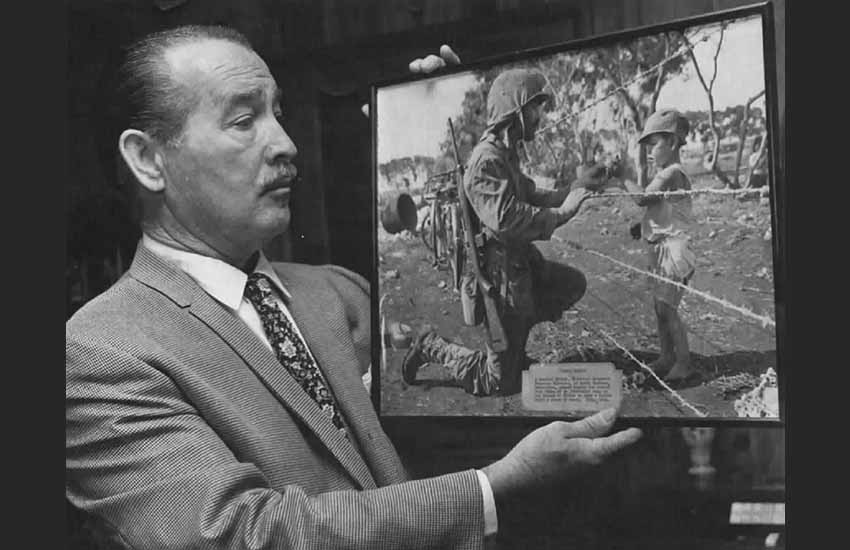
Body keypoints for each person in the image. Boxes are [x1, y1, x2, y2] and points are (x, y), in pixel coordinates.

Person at [66, 26, 642, 550]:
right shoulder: (98, 352)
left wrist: (420, 107)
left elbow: (423, 455)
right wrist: (490, 491)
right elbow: (240, 536)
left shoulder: (336, 291)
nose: (286, 143)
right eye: (245, 121)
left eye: (279, 114)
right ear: (147, 159)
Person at [402, 68, 612, 397]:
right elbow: (505, 218)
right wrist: (563, 212)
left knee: (570, 285)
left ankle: (514, 348)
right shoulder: (485, 162)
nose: (540, 116)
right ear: (514, 111)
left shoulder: (505, 155)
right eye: (534, 108)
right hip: (498, 280)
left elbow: (530, 194)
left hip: (518, 266)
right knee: (496, 383)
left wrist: (574, 187)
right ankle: (432, 346)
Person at [619, 108, 700, 387]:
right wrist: (641, 226)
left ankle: (684, 363)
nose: (649, 151)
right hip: (660, 250)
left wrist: (622, 176)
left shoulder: (673, 173)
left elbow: (643, 198)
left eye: (654, 144)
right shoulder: (665, 174)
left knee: (667, 308)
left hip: (675, 253)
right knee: (659, 307)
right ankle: (667, 356)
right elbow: (656, 208)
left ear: (673, 143)